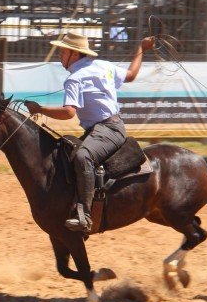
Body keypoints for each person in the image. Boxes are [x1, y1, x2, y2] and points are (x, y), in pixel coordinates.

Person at [24, 31, 155, 233]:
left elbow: (69, 112)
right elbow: (131, 75)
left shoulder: (74, 78)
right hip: (110, 127)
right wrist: (141, 48)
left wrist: (39, 109)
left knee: (83, 156)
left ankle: (84, 214)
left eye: (62, 52)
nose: (60, 56)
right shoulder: (103, 65)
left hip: (106, 129)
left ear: (74, 54)